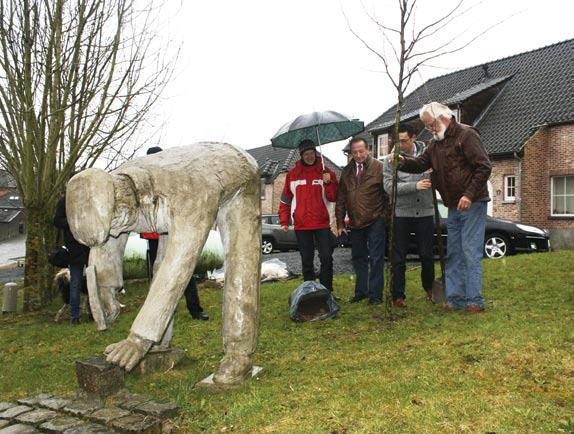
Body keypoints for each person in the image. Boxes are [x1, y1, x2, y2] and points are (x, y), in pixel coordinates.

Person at [394, 102, 492, 313]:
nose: (429, 130)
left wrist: (469, 194)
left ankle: (475, 301)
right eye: (427, 127)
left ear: (444, 118)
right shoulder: (435, 144)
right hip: (453, 205)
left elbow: (484, 166)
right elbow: (420, 163)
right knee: (454, 253)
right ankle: (454, 299)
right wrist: (402, 161)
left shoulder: (466, 135)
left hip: (472, 203)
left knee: (470, 251)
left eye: (431, 125)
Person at [143, 146, 208, 321]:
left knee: (185, 271)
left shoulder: (171, 177)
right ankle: (161, 312)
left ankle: (195, 309)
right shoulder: (144, 181)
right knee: (158, 276)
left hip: (174, 233)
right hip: (154, 236)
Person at [383, 124, 435, 307]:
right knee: (398, 257)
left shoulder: (428, 154)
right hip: (401, 214)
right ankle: (398, 295)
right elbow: (389, 188)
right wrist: (414, 186)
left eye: (403, 140)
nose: (400, 144)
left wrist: (433, 175)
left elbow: (440, 177)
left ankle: (430, 290)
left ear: (413, 138)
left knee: (427, 255)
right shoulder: (390, 160)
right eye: (396, 141)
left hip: (426, 212)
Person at [279, 139, 338, 292]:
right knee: (306, 260)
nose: (309, 156)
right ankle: (310, 292)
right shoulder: (292, 174)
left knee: (326, 258)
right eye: (306, 154)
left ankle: (327, 292)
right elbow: (285, 200)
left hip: (322, 224)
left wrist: (329, 182)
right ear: (301, 155)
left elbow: (333, 197)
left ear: (316, 153)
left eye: (312, 153)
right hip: (302, 225)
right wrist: (284, 220)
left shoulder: (326, 172)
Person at [336, 137, 389, 305]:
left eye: (361, 151)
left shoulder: (379, 168)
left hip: (376, 220)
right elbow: (341, 199)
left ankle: (375, 295)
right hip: (355, 222)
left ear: (368, 150)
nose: (358, 155)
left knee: (376, 258)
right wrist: (340, 223)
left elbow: (388, 196)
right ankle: (361, 291)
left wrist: (384, 218)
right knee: (358, 257)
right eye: (354, 152)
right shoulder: (346, 172)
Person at [54, 192, 90, 325]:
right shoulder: (64, 201)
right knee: (75, 283)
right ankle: (75, 317)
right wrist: (72, 223)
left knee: (92, 282)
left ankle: (92, 312)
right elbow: (57, 220)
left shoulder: (87, 200)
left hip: (89, 246)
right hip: (75, 248)